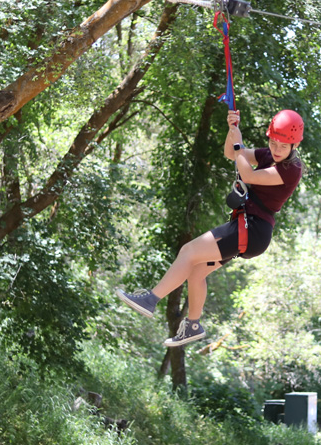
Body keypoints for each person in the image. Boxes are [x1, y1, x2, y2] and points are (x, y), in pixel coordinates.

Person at [115, 108, 304, 347]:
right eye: (273, 142)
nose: (276, 149)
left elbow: (247, 174)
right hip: (247, 228)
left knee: (188, 251)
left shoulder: (291, 169)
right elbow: (231, 153)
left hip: (253, 229)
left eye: (283, 146)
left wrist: (239, 144)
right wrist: (232, 130)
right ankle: (193, 325)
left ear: (294, 146)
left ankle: (150, 300)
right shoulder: (268, 154)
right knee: (196, 272)